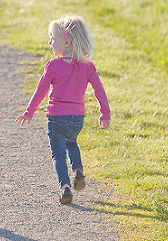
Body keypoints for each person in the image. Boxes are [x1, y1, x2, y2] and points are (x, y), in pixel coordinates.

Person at [16, 14, 110, 205]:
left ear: (66, 42)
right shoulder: (88, 66)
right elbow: (99, 90)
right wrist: (104, 113)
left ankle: (65, 187)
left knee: (58, 154)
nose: (50, 42)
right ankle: (77, 170)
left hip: (56, 117)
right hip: (77, 118)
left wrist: (29, 112)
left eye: (52, 38)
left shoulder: (53, 66)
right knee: (72, 143)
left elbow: (40, 92)